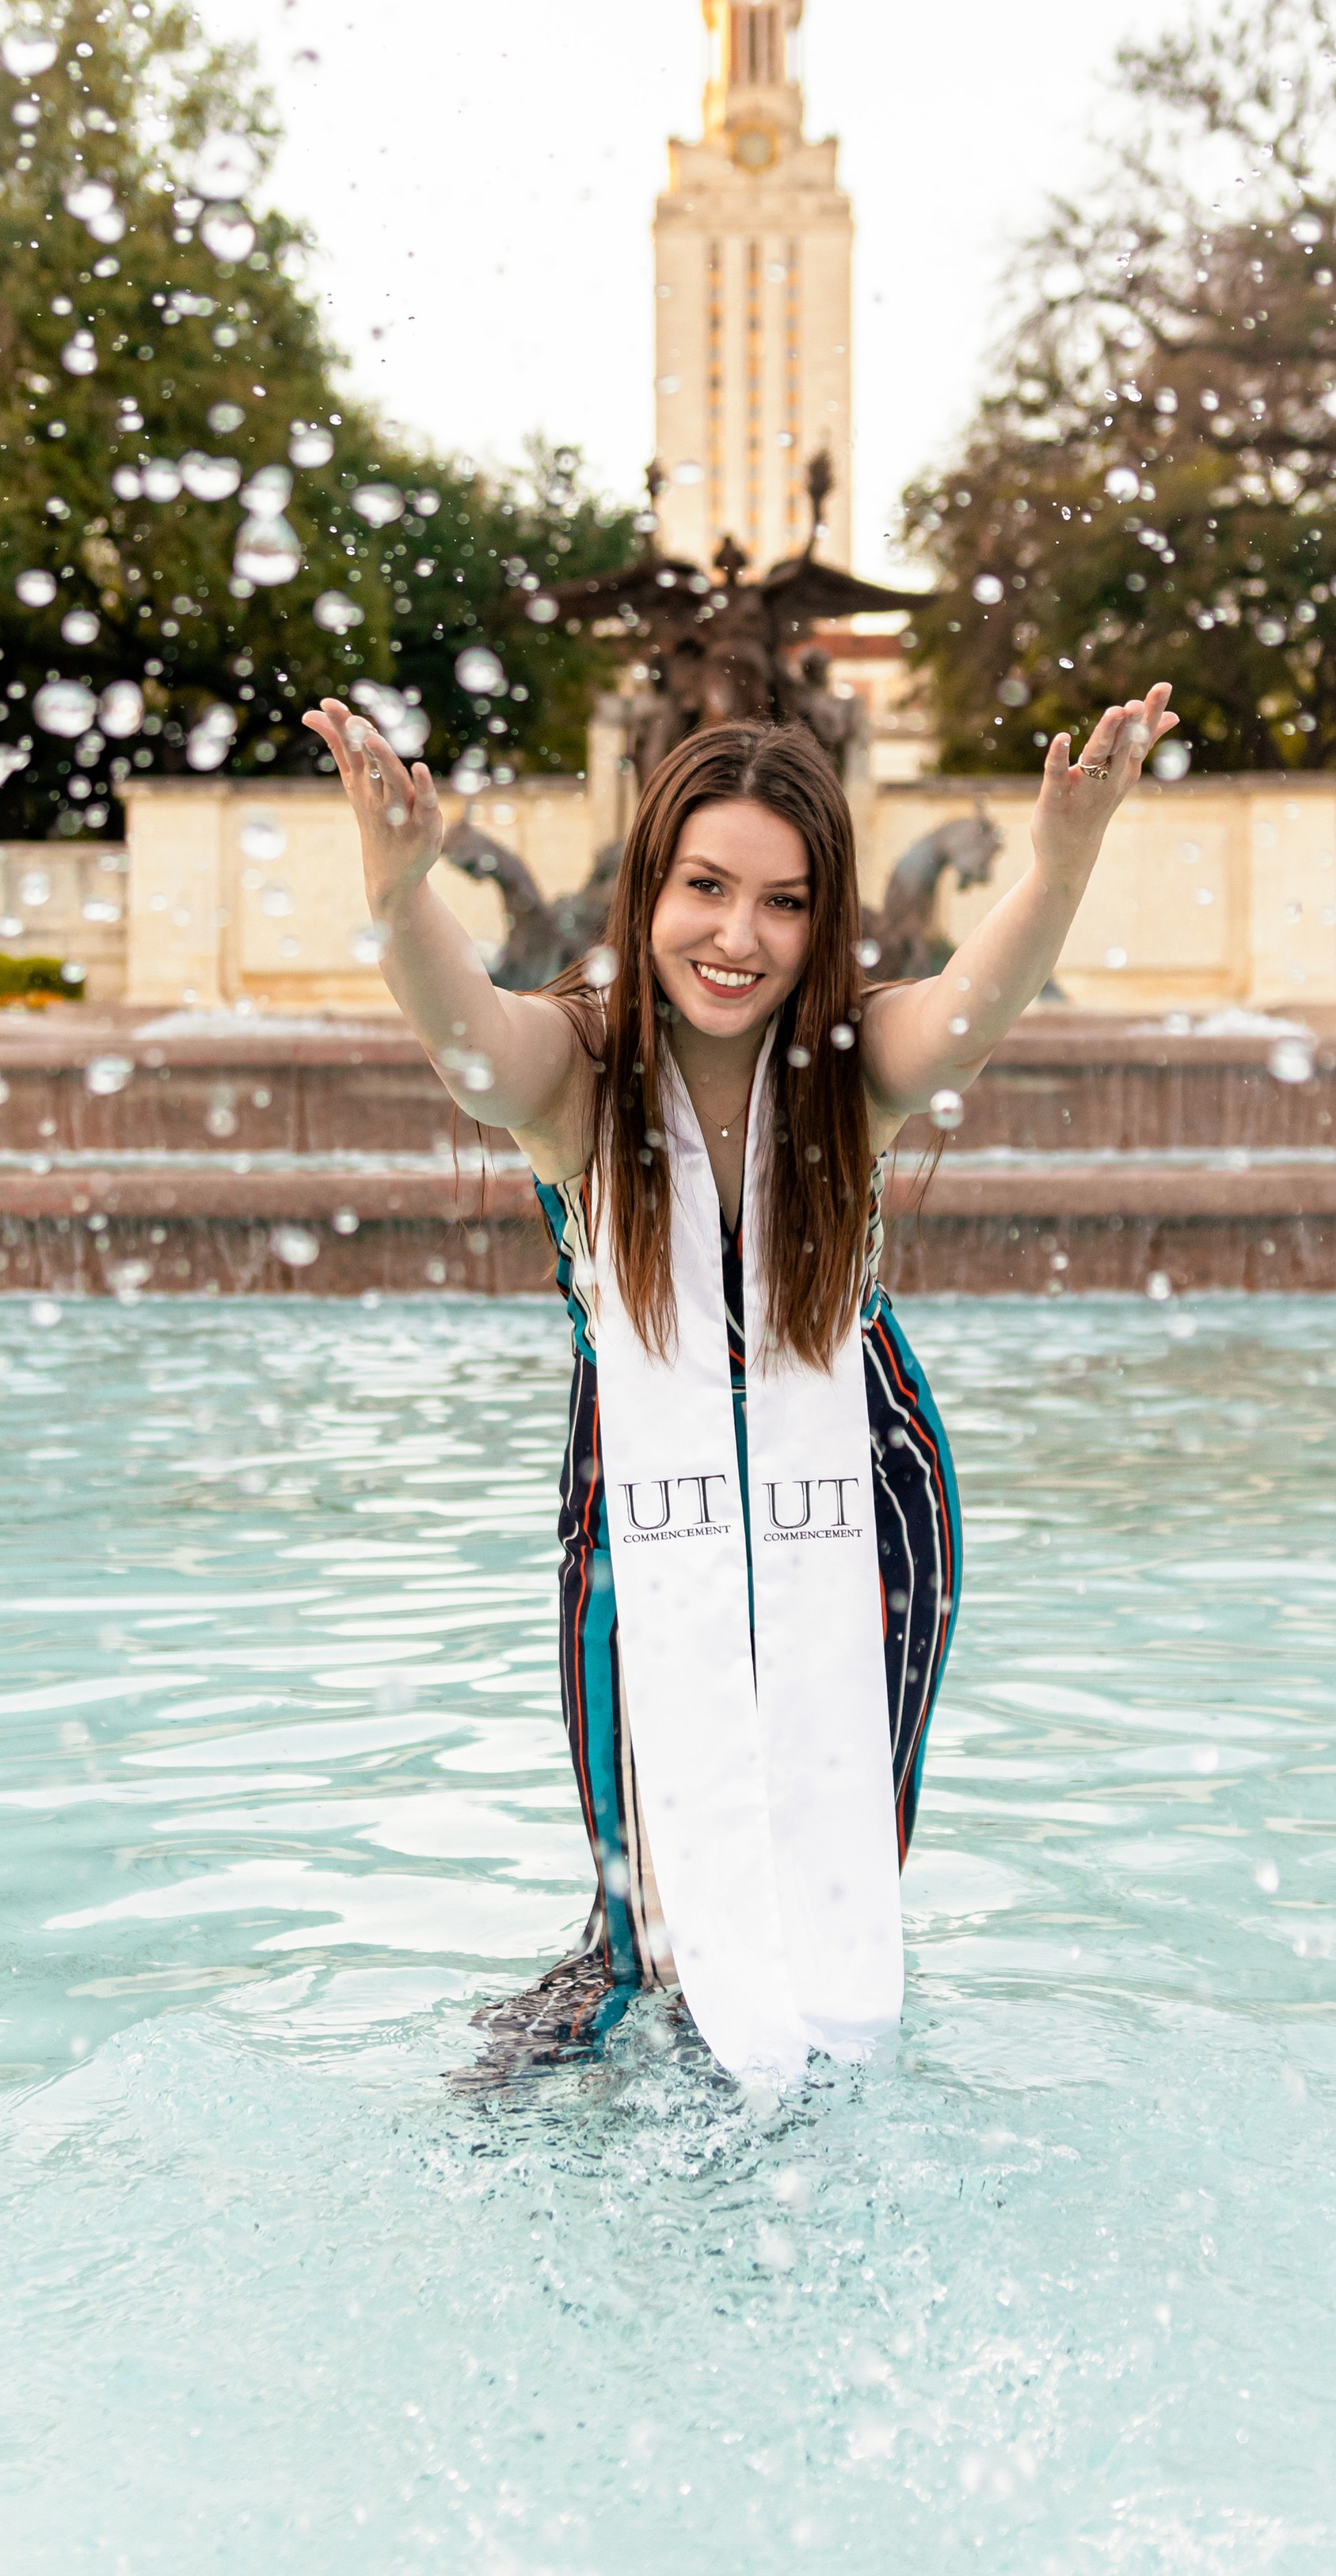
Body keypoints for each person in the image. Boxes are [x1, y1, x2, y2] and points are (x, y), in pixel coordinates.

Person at [302, 686, 1178, 2083]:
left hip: (864, 1480)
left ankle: (816, 2093)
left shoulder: (847, 1065)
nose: (738, 936)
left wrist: (1061, 867)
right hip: (644, 1486)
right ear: (650, 885)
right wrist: (403, 896)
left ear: (824, 922)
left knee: (835, 1858)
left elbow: (965, 1020)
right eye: (706, 887)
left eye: (784, 902)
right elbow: (474, 1052)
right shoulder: (580, 1068)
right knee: (649, 1878)